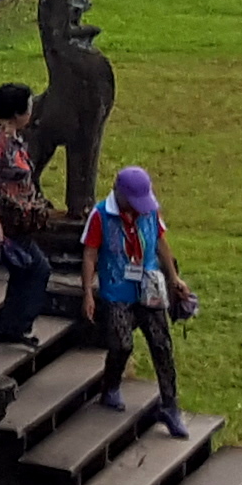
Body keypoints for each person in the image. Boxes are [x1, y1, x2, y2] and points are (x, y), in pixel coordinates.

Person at [85, 163, 191, 414]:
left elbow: (161, 243)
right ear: (119, 194)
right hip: (117, 290)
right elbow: (90, 254)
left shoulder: (149, 211)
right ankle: (111, 387)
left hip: (149, 287)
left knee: (161, 344)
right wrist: (88, 292)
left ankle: (170, 404)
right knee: (121, 344)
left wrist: (174, 278)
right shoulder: (100, 215)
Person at [0, 80, 56, 351]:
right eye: (28, 107)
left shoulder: (14, 138)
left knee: (23, 272)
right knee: (38, 269)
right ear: (17, 113)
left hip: (20, 220)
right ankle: (18, 325)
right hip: (8, 222)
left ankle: (11, 327)